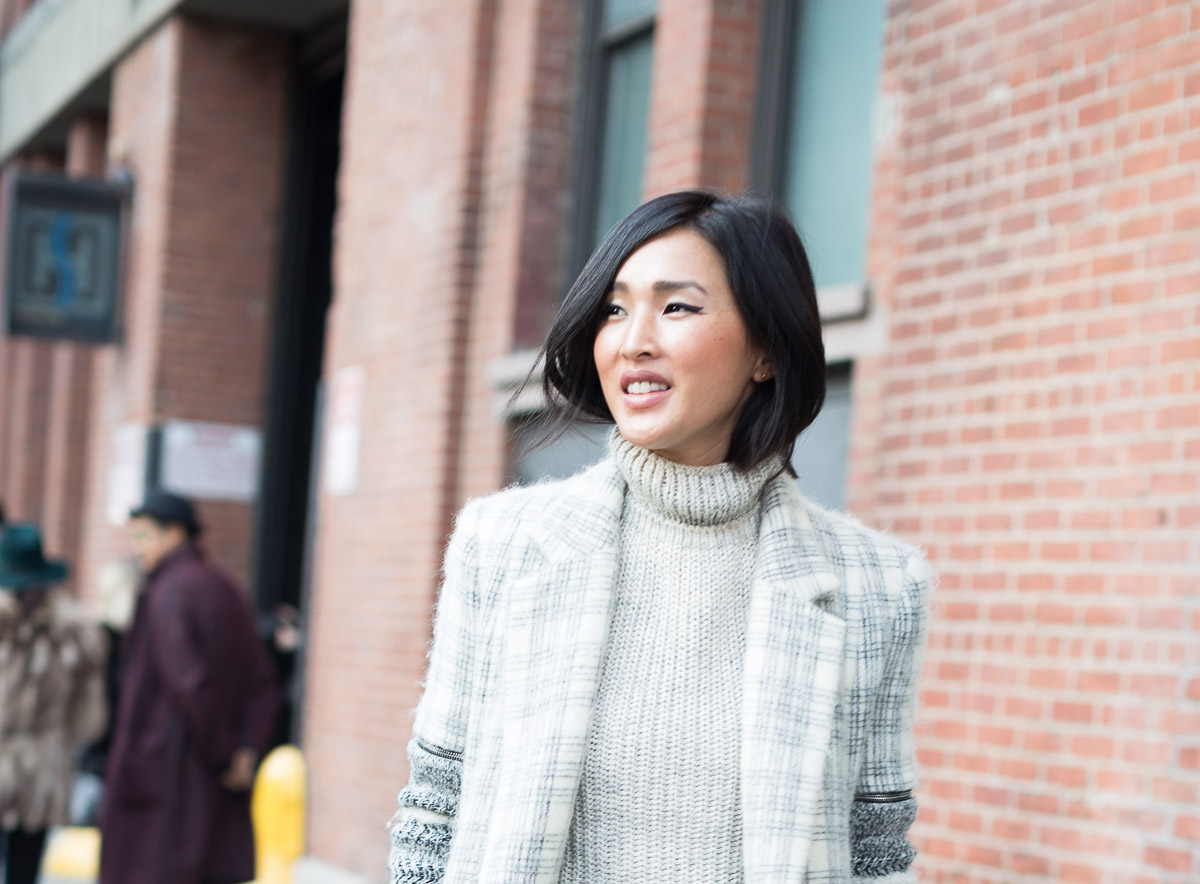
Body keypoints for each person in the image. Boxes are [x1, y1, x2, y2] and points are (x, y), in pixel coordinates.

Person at [386, 190, 934, 884]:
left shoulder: (880, 587)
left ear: (764, 349)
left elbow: (876, 848)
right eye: (615, 309)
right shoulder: (499, 546)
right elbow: (433, 812)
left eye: (676, 307)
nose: (634, 339)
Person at [99, 490, 277, 884]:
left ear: (174, 533)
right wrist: (247, 749)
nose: (136, 546)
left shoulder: (169, 591)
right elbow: (262, 680)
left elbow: (188, 682)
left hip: (172, 774)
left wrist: (224, 755)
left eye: (143, 535)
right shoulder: (226, 584)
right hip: (208, 775)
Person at [0, 523, 107, 884]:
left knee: (25, 867)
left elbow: (88, 703)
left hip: (42, 759)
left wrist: (67, 737)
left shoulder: (69, 628)